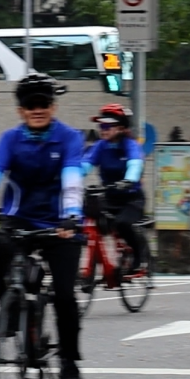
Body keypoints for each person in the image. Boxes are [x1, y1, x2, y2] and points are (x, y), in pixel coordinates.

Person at [0, 73, 87, 379]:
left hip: (61, 225)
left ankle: (70, 367)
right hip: (20, 220)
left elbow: (73, 177)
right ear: (20, 110)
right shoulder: (9, 139)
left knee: (63, 295)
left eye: (43, 103)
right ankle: (10, 306)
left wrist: (72, 215)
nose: (37, 109)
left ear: (53, 106)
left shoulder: (69, 138)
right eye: (30, 105)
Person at [83, 103, 146, 271]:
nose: (102, 129)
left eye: (107, 125)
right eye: (101, 125)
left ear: (120, 128)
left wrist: (129, 180)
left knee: (123, 224)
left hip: (131, 199)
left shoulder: (130, 145)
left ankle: (139, 257)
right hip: (108, 196)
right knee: (83, 219)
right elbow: (85, 165)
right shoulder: (100, 146)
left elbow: (135, 164)